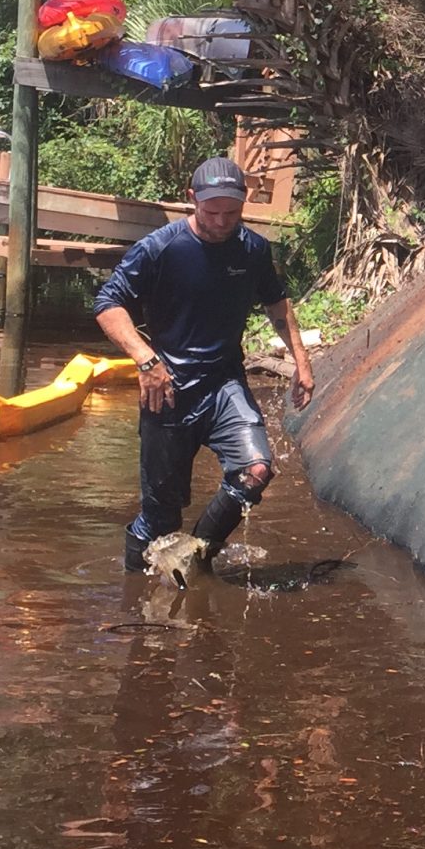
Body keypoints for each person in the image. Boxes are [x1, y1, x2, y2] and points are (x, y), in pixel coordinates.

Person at [93, 157, 316, 578]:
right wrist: (146, 359)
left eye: (232, 212)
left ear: (244, 202)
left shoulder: (252, 249)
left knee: (255, 470)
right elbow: (108, 303)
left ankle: (198, 556)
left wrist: (301, 363)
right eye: (212, 211)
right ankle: (134, 592)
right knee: (160, 519)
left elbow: (276, 302)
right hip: (168, 389)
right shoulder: (160, 248)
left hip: (224, 383)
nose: (221, 221)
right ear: (192, 199)